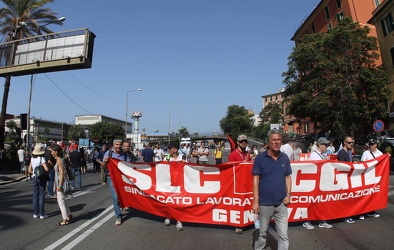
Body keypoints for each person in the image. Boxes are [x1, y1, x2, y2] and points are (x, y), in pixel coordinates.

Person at [252, 129, 292, 250]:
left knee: (284, 236)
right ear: (268, 142)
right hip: (265, 204)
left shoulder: (285, 158)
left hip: (281, 204)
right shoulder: (260, 158)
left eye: (278, 140)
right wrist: (255, 202)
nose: (276, 142)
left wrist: (289, 194)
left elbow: (288, 177)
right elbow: (255, 180)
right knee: (262, 234)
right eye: (273, 140)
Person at [302, 137, 333, 230]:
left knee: (320, 203)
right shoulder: (314, 156)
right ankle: (307, 221)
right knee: (312, 203)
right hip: (315, 184)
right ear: (320, 145)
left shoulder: (321, 154)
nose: (327, 146)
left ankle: (321, 220)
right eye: (325, 145)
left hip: (321, 184)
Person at [101, 139, 129, 225]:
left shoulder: (124, 154)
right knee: (115, 197)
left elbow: (128, 166)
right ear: (113, 145)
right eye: (117, 144)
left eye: (120, 144)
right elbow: (103, 166)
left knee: (123, 195)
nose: (118, 146)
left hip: (122, 178)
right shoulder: (108, 153)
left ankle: (123, 204)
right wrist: (105, 161)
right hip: (111, 178)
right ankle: (118, 216)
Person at [228, 134, 251, 234]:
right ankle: (237, 225)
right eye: (241, 141)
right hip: (236, 184)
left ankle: (246, 221)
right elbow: (229, 171)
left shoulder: (247, 154)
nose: (244, 143)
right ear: (237, 142)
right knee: (237, 204)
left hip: (246, 183)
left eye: (245, 141)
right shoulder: (233, 154)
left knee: (246, 203)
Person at [50, 144, 74, 226]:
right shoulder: (60, 159)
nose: (51, 153)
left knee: (60, 201)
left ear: (56, 152)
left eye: (52, 151)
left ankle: (65, 219)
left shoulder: (59, 160)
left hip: (61, 183)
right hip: (61, 182)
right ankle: (69, 215)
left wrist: (59, 185)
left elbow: (62, 173)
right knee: (62, 200)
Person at [163, 142, 185, 231]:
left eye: (170, 148)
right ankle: (168, 217)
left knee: (178, 202)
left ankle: (178, 220)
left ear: (175, 149)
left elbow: (187, 168)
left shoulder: (182, 157)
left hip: (180, 184)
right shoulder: (167, 157)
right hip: (169, 183)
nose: (168, 150)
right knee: (168, 201)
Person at [359, 139, 382, 219]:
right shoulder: (366, 153)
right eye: (370, 144)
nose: (370, 146)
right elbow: (362, 164)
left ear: (376, 144)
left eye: (372, 144)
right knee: (364, 194)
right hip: (366, 177)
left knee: (373, 195)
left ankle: (371, 211)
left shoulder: (380, 153)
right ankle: (361, 212)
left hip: (375, 177)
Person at [28, 144, 50, 219]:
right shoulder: (41, 159)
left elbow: (29, 170)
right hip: (41, 179)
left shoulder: (32, 159)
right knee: (41, 195)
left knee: (35, 196)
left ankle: (35, 213)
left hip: (34, 178)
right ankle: (42, 214)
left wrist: (34, 172)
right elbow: (46, 169)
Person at [337, 136, 356, 223]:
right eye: (349, 143)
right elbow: (342, 167)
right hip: (343, 180)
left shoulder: (348, 152)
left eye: (352, 142)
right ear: (344, 143)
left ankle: (347, 215)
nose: (351, 144)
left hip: (348, 179)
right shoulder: (341, 153)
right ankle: (345, 216)